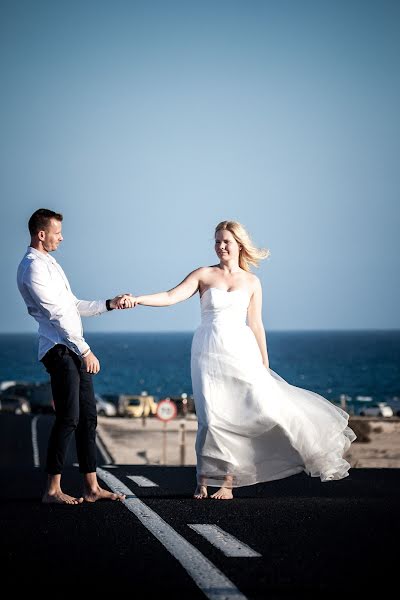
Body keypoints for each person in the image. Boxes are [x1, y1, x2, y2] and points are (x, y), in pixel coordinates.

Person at [123, 220, 356, 500]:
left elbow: (256, 324)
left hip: (241, 352)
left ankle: (228, 482)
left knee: (243, 414)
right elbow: (171, 296)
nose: (220, 246)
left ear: (239, 245)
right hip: (208, 351)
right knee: (210, 418)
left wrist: (264, 364)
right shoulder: (204, 274)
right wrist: (138, 299)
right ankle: (203, 480)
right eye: (217, 241)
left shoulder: (252, 282)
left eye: (226, 242)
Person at [17, 208, 131, 504]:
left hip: (72, 347)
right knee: (68, 417)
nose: (62, 237)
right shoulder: (32, 268)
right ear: (41, 235)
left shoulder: (50, 263)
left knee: (88, 418)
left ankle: (91, 488)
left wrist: (109, 303)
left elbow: (73, 305)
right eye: (57, 233)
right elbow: (57, 315)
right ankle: (52, 490)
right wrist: (86, 350)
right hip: (58, 350)